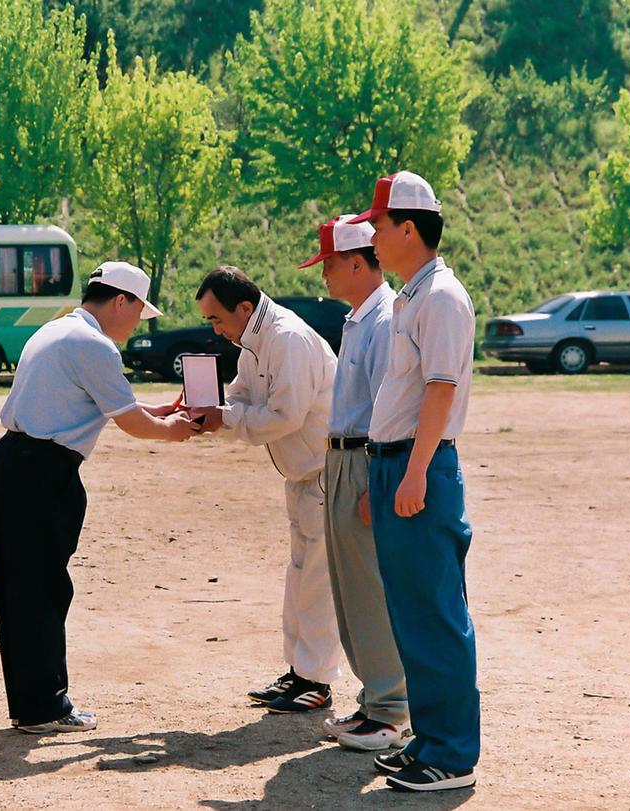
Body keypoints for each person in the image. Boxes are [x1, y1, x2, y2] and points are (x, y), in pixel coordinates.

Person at [0, 261, 200, 734]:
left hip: (11, 463)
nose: (137, 324)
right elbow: (132, 423)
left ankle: (32, 702)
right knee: (44, 590)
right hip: (42, 472)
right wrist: (172, 429)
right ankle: (45, 706)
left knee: (21, 588)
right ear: (122, 300)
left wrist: (157, 411)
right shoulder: (94, 345)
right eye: (139, 311)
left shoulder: (59, 330)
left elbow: (106, 402)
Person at [349, 171, 479, 791]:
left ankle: (451, 755)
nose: (371, 234)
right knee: (410, 613)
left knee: (434, 612)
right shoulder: (411, 296)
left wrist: (416, 472)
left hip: (418, 463)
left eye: (377, 224)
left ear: (408, 228)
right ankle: (429, 740)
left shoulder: (441, 296)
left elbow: (441, 388)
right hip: (396, 463)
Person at [189, 266, 342, 714]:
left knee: (317, 581)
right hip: (300, 472)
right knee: (300, 575)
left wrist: (225, 419)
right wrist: (208, 411)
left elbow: (284, 415)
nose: (216, 330)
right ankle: (298, 673)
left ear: (244, 307)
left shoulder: (288, 338)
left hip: (325, 469)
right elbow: (240, 398)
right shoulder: (253, 342)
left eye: (217, 319)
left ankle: (317, 681)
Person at [298, 216, 411, 751]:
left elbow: (390, 405)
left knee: (369, 588)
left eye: (329, 265)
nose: (324, 275)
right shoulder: (358, 318)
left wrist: (376, 481)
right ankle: (374, 701)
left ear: (357, 262)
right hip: (342, 458)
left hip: (365, 458)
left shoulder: (384, 318)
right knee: (349, 589)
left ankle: (392, 709)